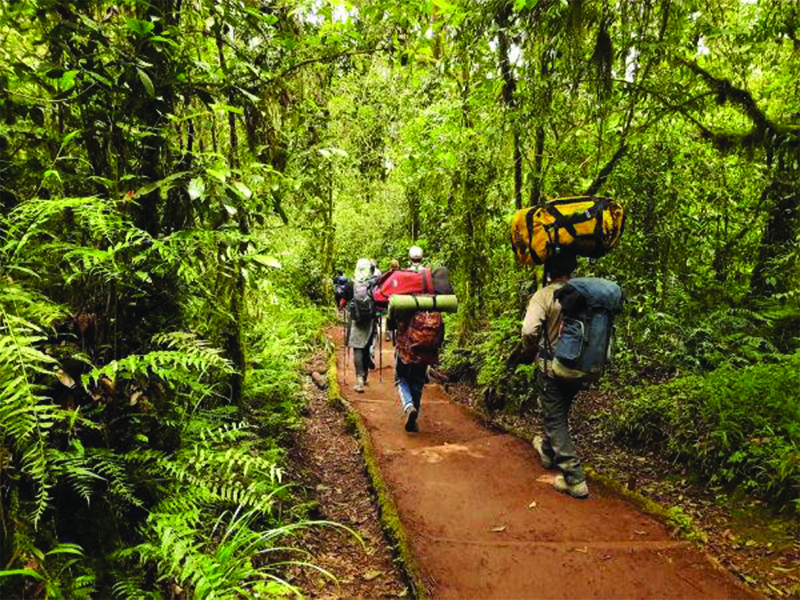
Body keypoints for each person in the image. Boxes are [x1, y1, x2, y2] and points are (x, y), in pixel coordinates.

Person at [520, 252, 589, 499]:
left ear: (548, 272)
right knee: (558, 412)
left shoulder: (544, 295)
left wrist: (529, 352)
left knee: (555, 418)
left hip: (551, 369)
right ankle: (548, 452)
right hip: (579, 368)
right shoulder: (583, 294)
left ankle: (574, 478)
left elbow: (529, 330)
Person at [388, 248, 444, 433]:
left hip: (406, 345)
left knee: (401, 378)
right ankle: (415, 417)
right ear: (422, 258)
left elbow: (395, 315)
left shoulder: (406, 279)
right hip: (426, 346)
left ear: (410, 258)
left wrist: (390, 327)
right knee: (418, 380)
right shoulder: (430, 282)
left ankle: (408, 406)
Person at [348, 258, 377, 393]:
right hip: (370, 321)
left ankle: (359, 380)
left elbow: (343, 301)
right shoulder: (372, 283)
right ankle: (365, 375)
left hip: (356, 321)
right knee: (366, 346)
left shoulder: (351, 284)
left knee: (357, 348)